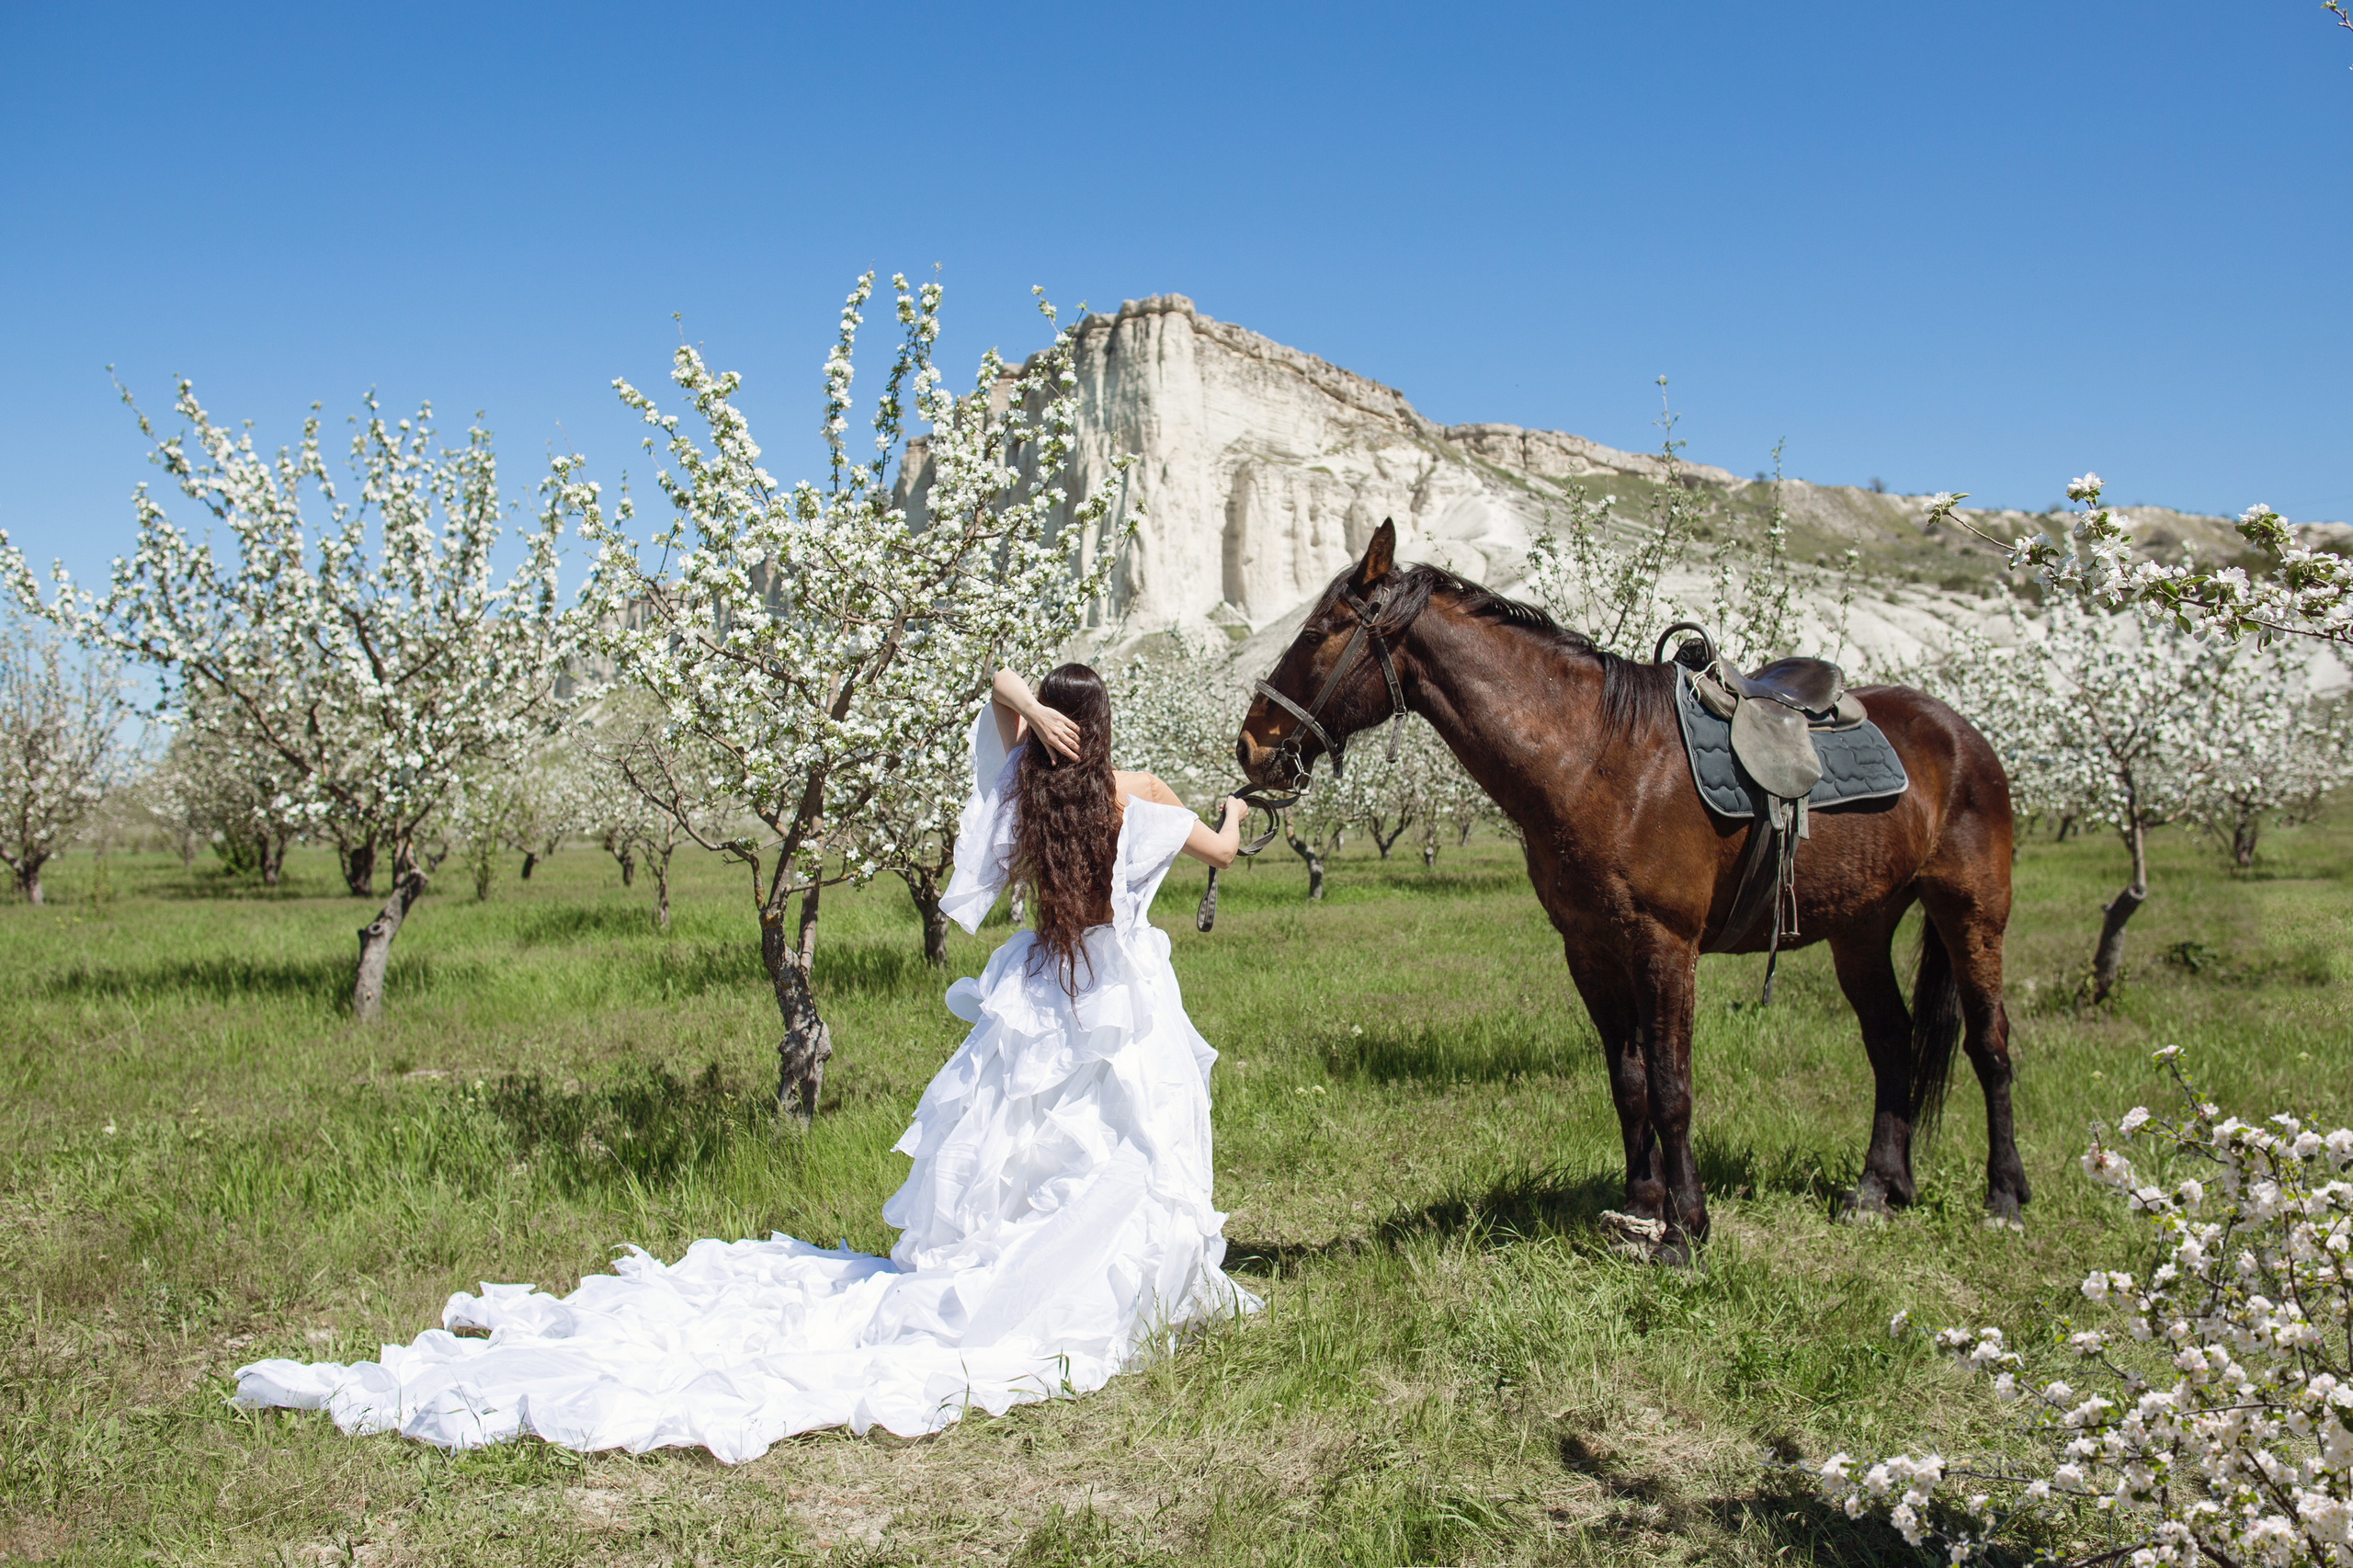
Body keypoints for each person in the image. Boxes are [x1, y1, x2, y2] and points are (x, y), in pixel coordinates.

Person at [233, 665, 1257, 1463]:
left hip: (1036, 988)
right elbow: (1222, 850)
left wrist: (1026, 707)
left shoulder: (1027, 798)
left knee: (1018, 1144)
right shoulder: (1140, 792)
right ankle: (1115, 1286)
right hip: (1116, 992)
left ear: (1045, 727)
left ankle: (1018, 1270)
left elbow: (994, 688)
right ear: (1106, 724)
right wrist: (1240, 813)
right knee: (1123, 1134)